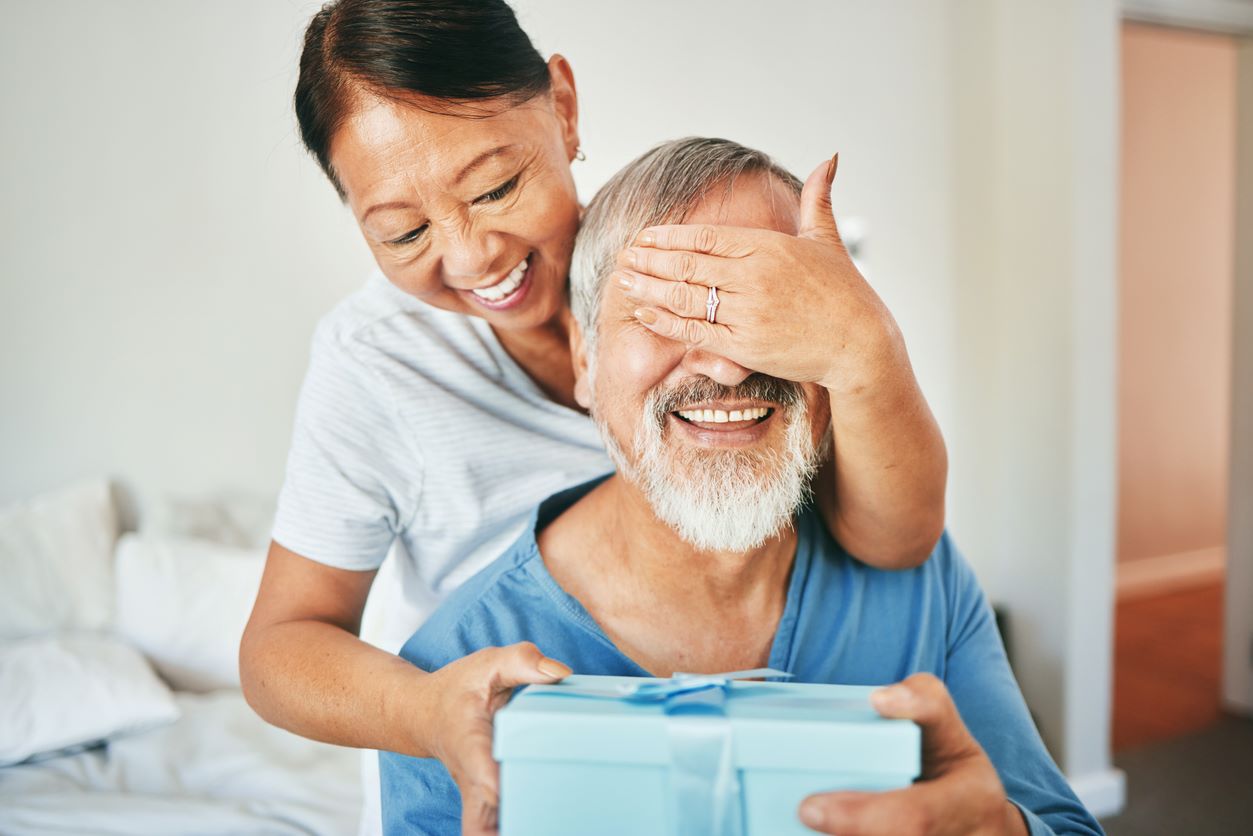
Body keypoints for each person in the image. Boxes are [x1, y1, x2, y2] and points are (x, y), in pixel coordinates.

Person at [239, 1, 949, 833]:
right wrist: (428, 710)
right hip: (501, 761)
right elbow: (279, 647)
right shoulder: (375, 365)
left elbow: (894, 535)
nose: (473, 256)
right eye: (402, 233)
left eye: (497, 187)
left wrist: (862, 343)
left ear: (563, 108)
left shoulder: (697, 265)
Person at [378, 138, 1103, 836]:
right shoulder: (454, 677)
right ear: (583, 357)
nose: (726, 366)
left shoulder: (924, 584)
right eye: (665, 308)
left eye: (773, 309)